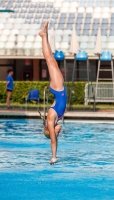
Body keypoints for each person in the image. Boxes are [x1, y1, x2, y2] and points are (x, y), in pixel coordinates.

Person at [39, 22, 67, 165]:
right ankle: (45, 35)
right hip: (60, 89)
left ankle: (43, 35)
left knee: (50, 60)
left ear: (52, 132)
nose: (59, 131)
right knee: (52, 60)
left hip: (57, 88)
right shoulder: (57, 119)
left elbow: (53, 141)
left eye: (57, 132)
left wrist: (54, 157)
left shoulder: (51, 121)